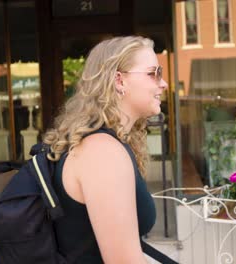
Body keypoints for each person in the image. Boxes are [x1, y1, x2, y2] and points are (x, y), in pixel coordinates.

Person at [43, 36, 168, 263]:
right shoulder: (102, 152)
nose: (163, 83)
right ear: (119, 81)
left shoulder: (102, 144)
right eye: (153, 73)